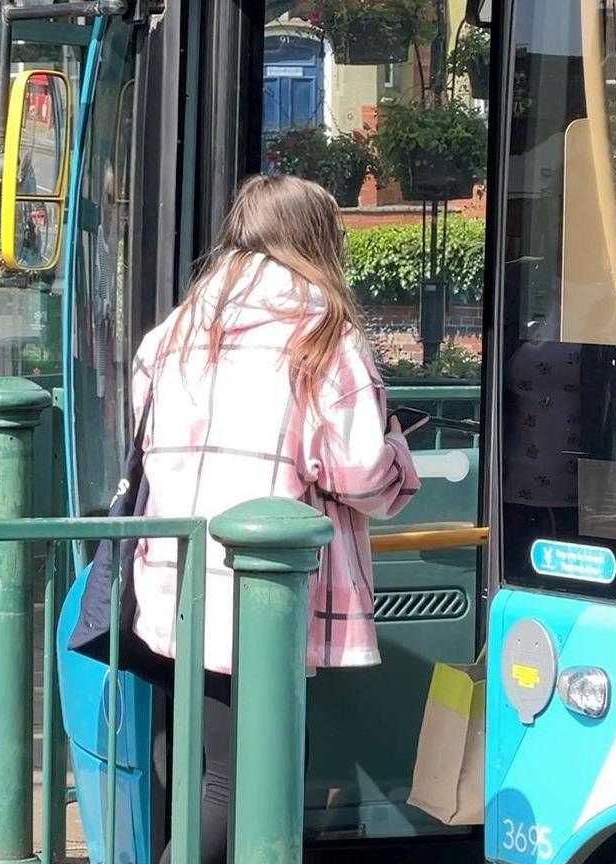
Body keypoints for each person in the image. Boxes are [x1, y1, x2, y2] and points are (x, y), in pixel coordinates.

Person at [128, 174, 420, 863]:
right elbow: (357, 473)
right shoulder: (322, 334)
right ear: (318, 240)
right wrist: (401, 454)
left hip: (176, 574)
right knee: (246, 778)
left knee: (201, 766)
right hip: (264, 591)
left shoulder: (175, 330)